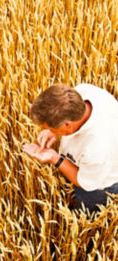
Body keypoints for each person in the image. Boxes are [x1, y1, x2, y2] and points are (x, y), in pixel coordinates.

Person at [23, 83, 118, 212]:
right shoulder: (83, 92)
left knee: (88, 212)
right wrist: (52, 131)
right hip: (91, 163)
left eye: (50, 128)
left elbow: (85, 182)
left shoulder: (96, 148)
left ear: (67, 124)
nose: (47, 131)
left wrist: (55, 158)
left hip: (100, 185)